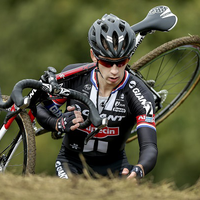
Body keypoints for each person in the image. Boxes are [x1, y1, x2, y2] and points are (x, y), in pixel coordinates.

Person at [36, 14, 158, 180]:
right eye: (107, 63)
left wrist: (139, 170)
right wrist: (58, 123)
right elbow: (41, 107)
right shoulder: (74, 76)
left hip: (115, 167)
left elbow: (149, 146)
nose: (114, 71)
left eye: (121, 62)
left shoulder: (139, 93)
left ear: (129, 58)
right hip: (72, 163)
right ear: (94, 56)